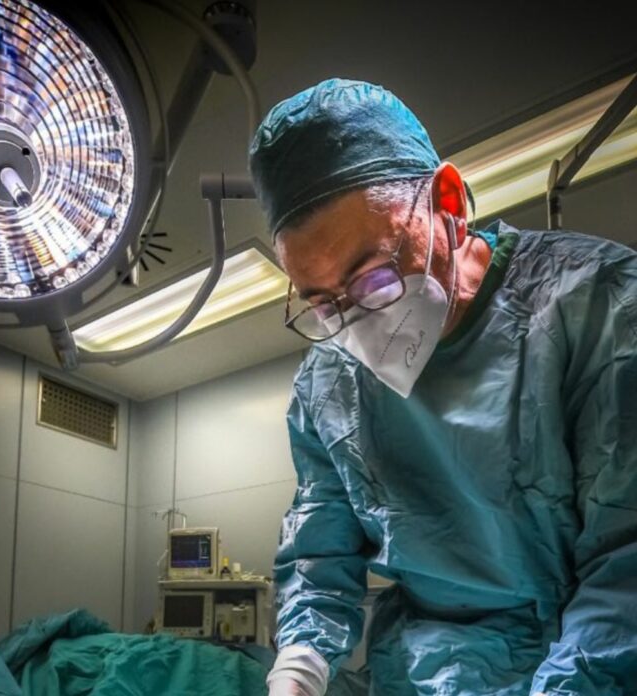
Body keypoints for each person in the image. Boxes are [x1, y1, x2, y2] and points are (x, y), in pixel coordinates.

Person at [248, 79, 637, 696]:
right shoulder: (329, 379)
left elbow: (626, 566)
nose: (357, 322)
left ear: (448, 203)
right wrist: (299, 668)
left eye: (374, 277)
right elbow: (321, 548)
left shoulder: (599, 305)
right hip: (419, 672)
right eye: (323, 304)